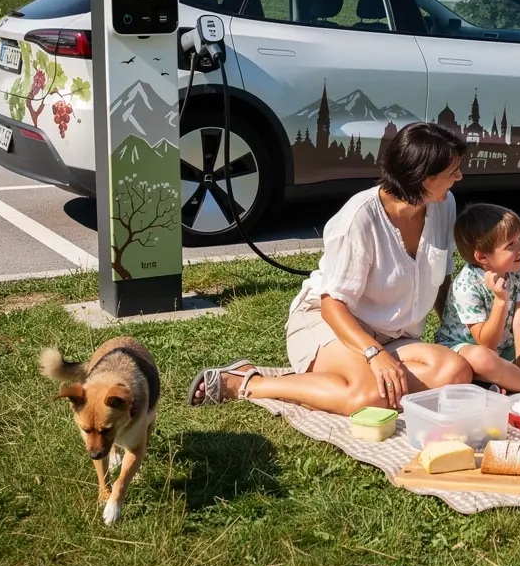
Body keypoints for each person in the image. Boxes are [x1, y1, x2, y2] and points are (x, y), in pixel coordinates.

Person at [188, 122, 473, 415]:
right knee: (371, 397)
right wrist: (373, 353)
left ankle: (342, 383)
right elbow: (331, 305)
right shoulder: (359, 219)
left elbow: (442, 275)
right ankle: (251, 382)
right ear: (423, 178)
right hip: (332, 326)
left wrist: (457, 332)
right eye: (452, 172)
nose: (459, 177)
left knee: (456, 372)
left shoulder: (443, 203)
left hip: (394, 336)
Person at [435, 204, 520, 393]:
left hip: (505, 347)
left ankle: (511, 380)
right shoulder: (466, 285)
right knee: (483, 358)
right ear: (482, 257)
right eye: (511, 244)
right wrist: (501, 301)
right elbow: (487, 344)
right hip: (466, 350)